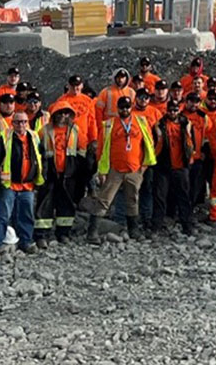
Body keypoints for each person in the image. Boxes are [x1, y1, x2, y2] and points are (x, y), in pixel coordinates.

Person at [89, 96, 156, 244]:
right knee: (104, 199)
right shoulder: (109, 125)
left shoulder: (141, 122)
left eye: (127, 107)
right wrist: (102, 170)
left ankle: (133, 230)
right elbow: (101, 149)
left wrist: (144, 166)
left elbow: (149, 144)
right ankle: (92, 232)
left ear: (131, 107)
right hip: (114, 170)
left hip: (134, 169)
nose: (125, 109)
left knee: (132, 200)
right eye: (122, 107)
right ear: (117, 108)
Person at [0, 111, 45, 254]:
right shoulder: (4, 137)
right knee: (2, 214)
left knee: (26, 215)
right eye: (18, 122)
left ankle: (26, 241)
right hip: (9, 184)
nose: (21, 125)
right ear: (12, 123)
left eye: (24, 122)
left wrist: (40, 177)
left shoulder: (34, 137)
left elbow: (41, 157)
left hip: (27, 184)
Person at [35, 102, 81, 246]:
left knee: (66, 203)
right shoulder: (44, 130)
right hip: (49, 172)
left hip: (69, 173)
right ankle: (41, 234)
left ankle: (63, 233)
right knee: (45, 202)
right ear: (54, 114)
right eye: (60, 113)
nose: (63, 116)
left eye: (66, 113)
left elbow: (81, 150)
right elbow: (37, 151)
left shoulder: (75, 130)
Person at [49, 75, 99, 206]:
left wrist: (93, 139)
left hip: (83, 142)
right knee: (70, 171)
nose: (75, 88)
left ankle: (81, 195)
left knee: (86, 168)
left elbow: (92, 121)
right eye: (73, 85)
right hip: (67, 142)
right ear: (68, 85)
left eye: (78, 85)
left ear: (81, 86)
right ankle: (68, 199)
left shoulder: (88, 101)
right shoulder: (62, 100)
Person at [152, 100, 198, 236]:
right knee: (160, 197)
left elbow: (192, 143)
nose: (172, 112)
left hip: (181, 166)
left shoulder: (186, 124)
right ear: (166, 110)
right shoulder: (159, 125)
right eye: (170, 110)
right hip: (163, 166)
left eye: (175, 110)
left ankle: (187, 225)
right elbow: (155, 143)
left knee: (184, 196)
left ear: (179, 110)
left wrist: (190, 159)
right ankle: (156, 226)